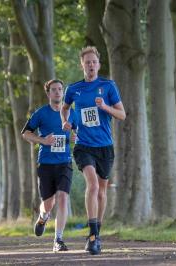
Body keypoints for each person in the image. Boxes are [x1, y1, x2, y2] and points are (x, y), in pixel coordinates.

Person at [60, 46, 126, 255]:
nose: (90, 65)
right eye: (86, 62)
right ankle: (92, 236)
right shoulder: (73, 89)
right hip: (83, 145)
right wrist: (66, 122)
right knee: (93, 185)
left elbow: (122, 115)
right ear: (82, 65)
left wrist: (105, 107)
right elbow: (65, 107)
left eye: (93, 62)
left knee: (102, 191)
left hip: (105, 146)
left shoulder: (108, 86)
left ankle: (97, 232)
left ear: (99, 64)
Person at [22, 79, 76, 252]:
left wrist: (76, 137)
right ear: (48, 93)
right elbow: (25, 134)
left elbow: (80, 133)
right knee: (48, 203)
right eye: (54, 90)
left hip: (65, 162)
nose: (58, 92)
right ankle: (43, 217)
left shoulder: (71, 113)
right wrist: (43, 140)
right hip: (46, 163)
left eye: (60, 89)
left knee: (62, 198)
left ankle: (58, 240)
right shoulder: (41, 114)